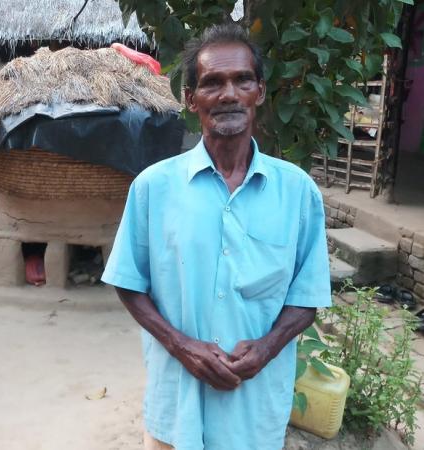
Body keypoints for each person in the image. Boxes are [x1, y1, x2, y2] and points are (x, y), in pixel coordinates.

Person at [101, 23, 331, 450]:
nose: (228, 94)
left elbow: (307, 295)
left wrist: (266, 348)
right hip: (176, 409)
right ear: (191, 99)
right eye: (212, 82)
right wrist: (180, 344)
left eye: (242, 79)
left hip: (254, 411)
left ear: (259, 91)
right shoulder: (153, 187)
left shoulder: (297, 191)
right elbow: (128, 282)